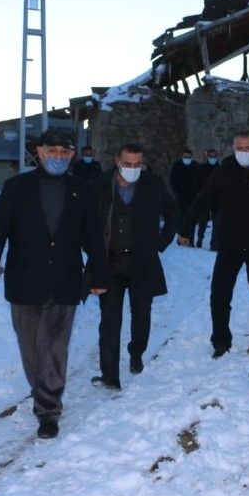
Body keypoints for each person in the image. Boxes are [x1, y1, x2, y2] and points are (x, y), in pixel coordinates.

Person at [0, 130, 108, 439]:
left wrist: (99, 276)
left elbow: (93, 236)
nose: (58, 157)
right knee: (31, 348)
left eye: (65, 152)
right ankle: (41, 390)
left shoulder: (82, 190)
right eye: (53, 151)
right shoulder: (16, 188)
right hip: (24, 280)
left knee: (54, 347)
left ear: (72, 155)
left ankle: (48, 411)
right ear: (40, 151)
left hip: (65, 280)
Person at [178, 131, 249, 358]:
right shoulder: (223, 172)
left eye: (248, 148)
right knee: (219, 295)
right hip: (229, 244)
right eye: (239, 148)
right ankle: (221, 341)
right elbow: (202, 200)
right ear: (233, 148)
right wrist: (186, 229)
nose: (244, 152)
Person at [90, 142, 179, 389]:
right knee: (110, 319)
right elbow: (86, 222)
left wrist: (160, 242)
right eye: (127, 164)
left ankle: (136, 352)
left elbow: (173, 212)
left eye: (137, 164)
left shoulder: (153, 184)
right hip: (110, 263)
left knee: (141, 314)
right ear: (117, 161)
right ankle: (110, 375)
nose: (132, 168)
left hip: (143, 263)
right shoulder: (98, 185)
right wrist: (93, 253)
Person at [193, 148, 220, 249]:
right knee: (203, 221)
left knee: (216, 223)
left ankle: (214, 244)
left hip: (217, 200)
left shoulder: (220, 168)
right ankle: (200, 240)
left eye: (214, 156)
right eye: (211, 156)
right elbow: (197, 182)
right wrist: (199, 193)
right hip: (205, 198)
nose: (213, 158)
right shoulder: (202, 168)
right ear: (207, 157)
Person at [169, 148, 199, 232]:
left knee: (191, 215)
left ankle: (190, 234)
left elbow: (199, 179)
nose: (187, 158)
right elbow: (172, 179)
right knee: (180, 215)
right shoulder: (177, 165)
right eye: (185, 156)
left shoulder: (195, 165)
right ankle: (180, 232)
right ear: (182, 156)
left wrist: (197, 191)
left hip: (192, 195)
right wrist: (176, 190)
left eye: (189, 157)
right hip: (180, 195)